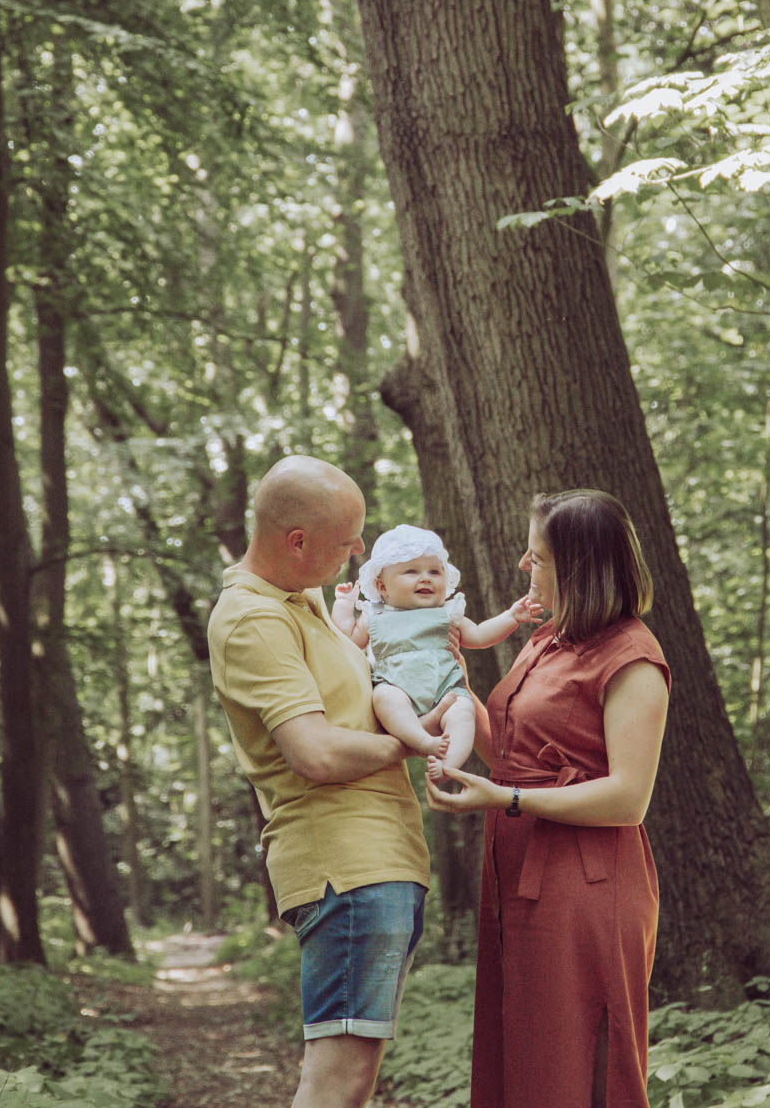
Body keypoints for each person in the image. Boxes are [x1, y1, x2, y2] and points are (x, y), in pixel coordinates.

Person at [426, 489, 671, 1108]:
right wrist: (447, 680)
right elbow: (513, 753)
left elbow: (628, 798)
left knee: (577, 1055)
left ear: (578, 568)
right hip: (519, 873)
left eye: (536, 557)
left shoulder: (633, 660)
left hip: (585, 888)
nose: (522, 566)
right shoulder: (549, 639)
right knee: (525, 1051)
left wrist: (505, 799)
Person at [208, 456, 440, 1108]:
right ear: (296, 542)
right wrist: (411, 743)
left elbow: (346, 694)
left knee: (352, 1080)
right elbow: (313, 751)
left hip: (379, 861)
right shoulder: (255, 618)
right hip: (345, 866)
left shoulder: (302, 598)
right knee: (336, 1083)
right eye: (346, 540)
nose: (360, 550)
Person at [331, 524, 541, 780]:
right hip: (397, 685)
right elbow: (348, 639)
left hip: (445, 686)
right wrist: (343, 604)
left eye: (434, 571)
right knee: (384, 698)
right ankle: (422, 740)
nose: (425, 578)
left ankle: (449, 764)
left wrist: (511, 617)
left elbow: (480, 635)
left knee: (463, 712)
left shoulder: (448, 613)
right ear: (382, 586)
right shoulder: (374, 615)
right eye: (411, 571)